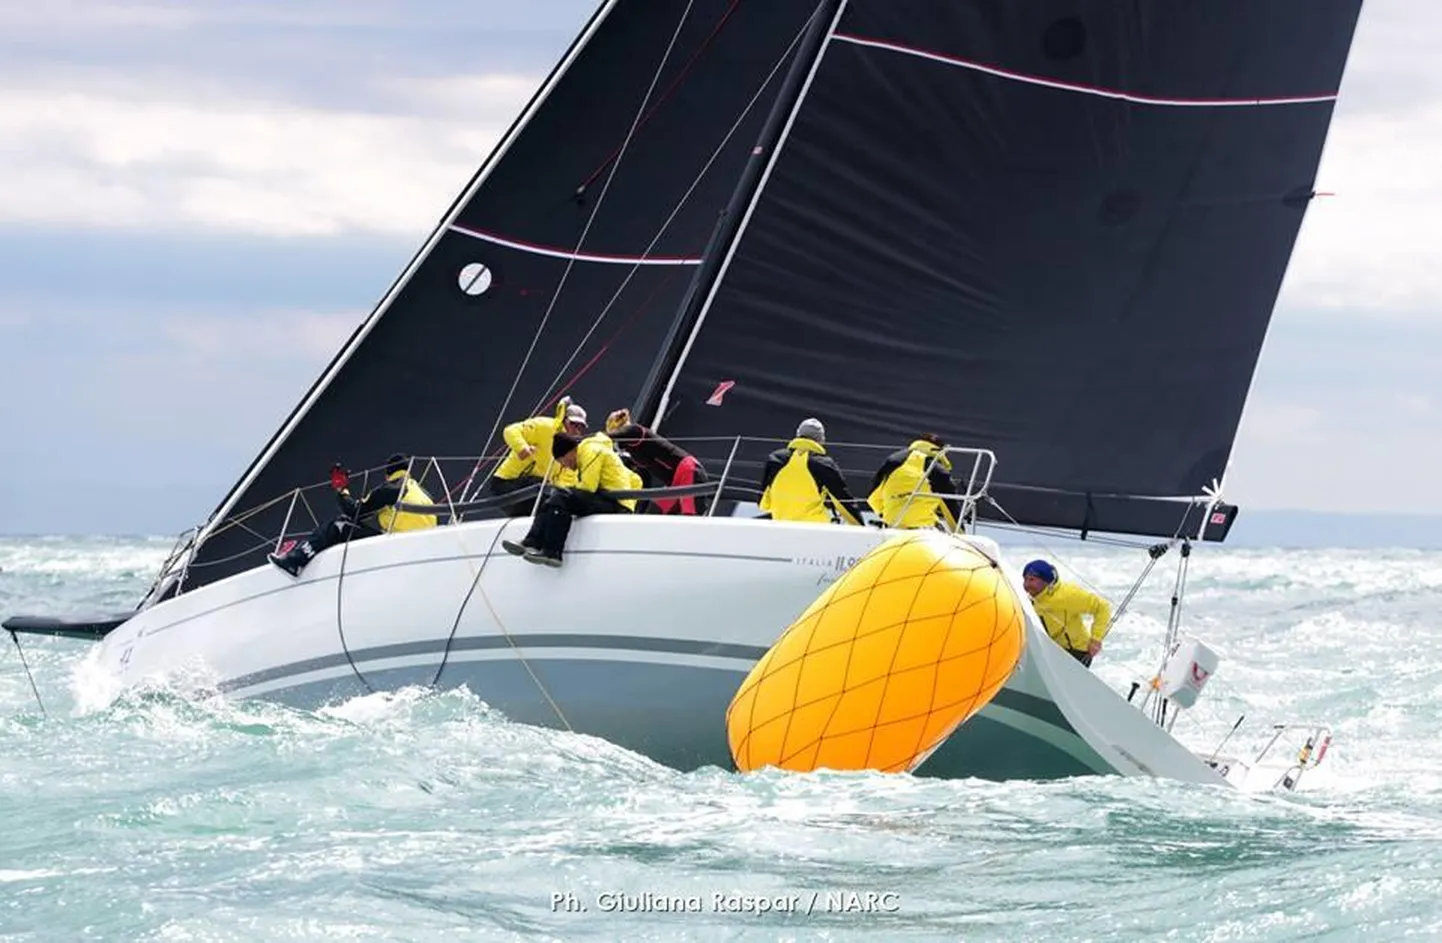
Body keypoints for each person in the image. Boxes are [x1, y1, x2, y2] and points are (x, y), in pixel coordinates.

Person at [268, 453, 438, 577]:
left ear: (388, 475)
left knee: (339, 525)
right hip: (424, 549)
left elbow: (354, 512)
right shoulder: (424, 493)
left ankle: (295, 562)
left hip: (397, 548)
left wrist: (341, 489)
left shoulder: (392, 488)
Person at [500, 430, 642, 566]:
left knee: (560, 498)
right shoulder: (590, 453)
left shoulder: (590, 450)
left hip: (616, 505)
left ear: (570, 452)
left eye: (562, 461)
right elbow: (634, 480)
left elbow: (588, 486)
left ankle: (551, 552)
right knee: (553, 499)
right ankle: (532, 542)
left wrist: (565, 492)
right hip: (611, 501)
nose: (565, 466)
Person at [757, 418, 866, 525]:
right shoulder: (824, 464)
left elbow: (763, 502)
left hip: (781, 524)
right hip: (815, 528)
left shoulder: (775, 459)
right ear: (821, 440)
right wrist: (860, 526)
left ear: (797, 435)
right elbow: (843, 502)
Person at [489, 397, 587, 516]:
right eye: (573, 424)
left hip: (535, 487)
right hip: (506, 483)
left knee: (555, 498)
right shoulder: (545, 426)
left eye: (580, 427)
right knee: (544, 491)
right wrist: (522, 448)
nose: (576, 430)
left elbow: (567, 479)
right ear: (564, 420)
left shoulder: (571, 449)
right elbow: (511, 430)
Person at [604, 408, 709, 515]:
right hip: (674, 481)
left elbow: (612, 436)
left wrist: (591, 439)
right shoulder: (631, 448)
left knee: (690, 516)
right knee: (654, 513)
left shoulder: (635, 430)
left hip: (688, 470)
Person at [1021, 559, 1113, 667]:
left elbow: (1103, 607)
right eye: (1025, 579)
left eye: (1032, 580)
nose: (1027, 584)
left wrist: (1096, 640)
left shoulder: (1068, 594)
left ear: (1045, 581)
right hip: (1051, 649)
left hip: (1075, 652)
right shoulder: (1030, 598)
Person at [867, 434, 961, 530]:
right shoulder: (936, 468)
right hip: (923, 528)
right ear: (940, 450)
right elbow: (951, 508)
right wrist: (961, 532)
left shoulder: (892, 461)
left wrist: (885, 515)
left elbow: (872, 497)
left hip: (892, 525)